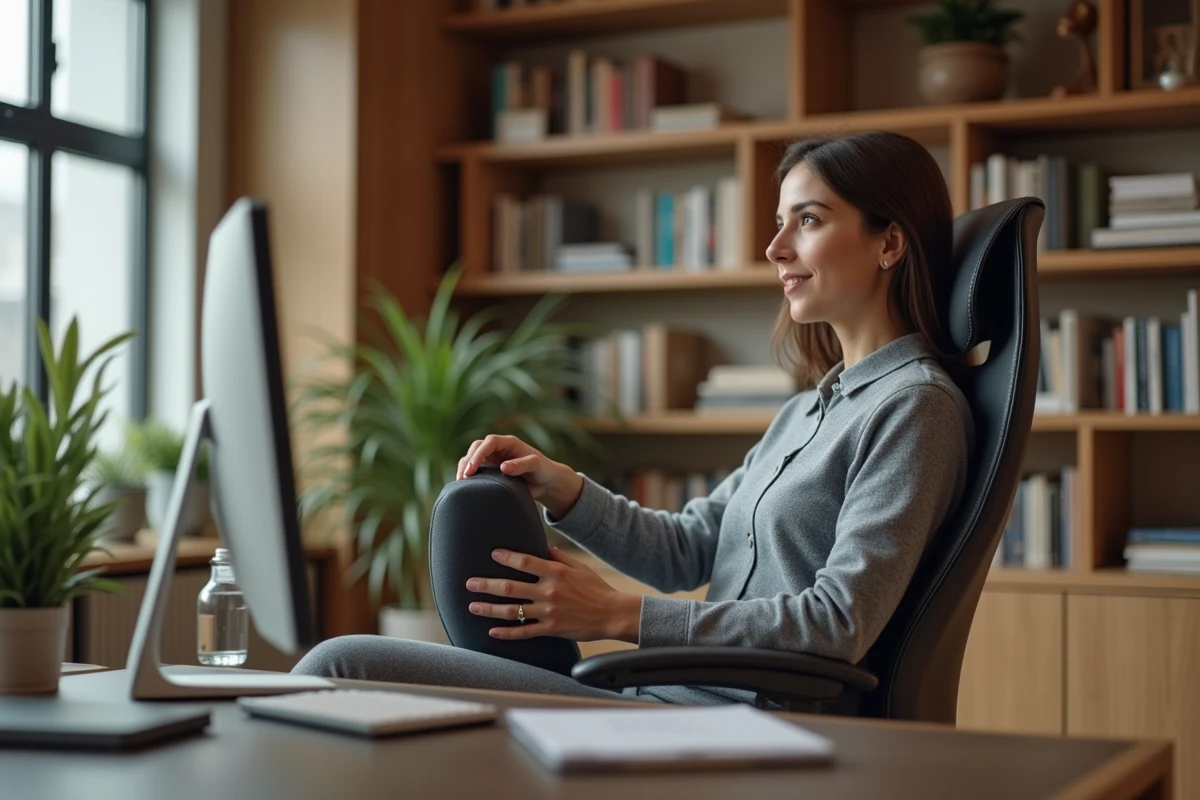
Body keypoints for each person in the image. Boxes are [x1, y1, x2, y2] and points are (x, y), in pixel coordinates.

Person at [293, 130, 974, 710]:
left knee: (342, 668)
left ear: (889, 244)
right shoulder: (808, 410)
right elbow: (687, 548)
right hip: (666, 698)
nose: (775, 250)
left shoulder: (914, 407)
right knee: (343, 673)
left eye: (808, 221)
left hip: (738, 722)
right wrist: (567, 491)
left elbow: (838, 624)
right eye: (778, 222)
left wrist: (618, 614)